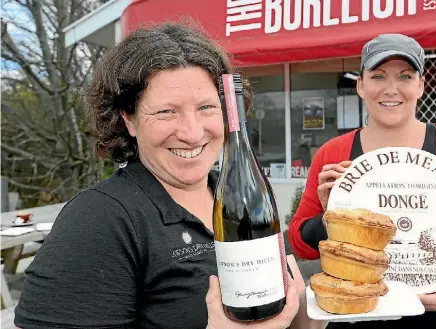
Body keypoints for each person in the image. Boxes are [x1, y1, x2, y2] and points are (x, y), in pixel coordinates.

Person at [13, 21, 327, 329]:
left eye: (206, 107)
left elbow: (291, 313)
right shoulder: (99, 221)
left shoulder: (240, 196)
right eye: (166, 111)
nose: (192, 133)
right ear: (129, 121)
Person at [288, 34, 436, 329]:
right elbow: (301, 244)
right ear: (360, 85)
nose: (391, 89)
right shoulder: (334, 153)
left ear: (420, 85)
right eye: (378, 76)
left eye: (405, 76)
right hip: (351, 313)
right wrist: (328, 217)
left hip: (431, 315)